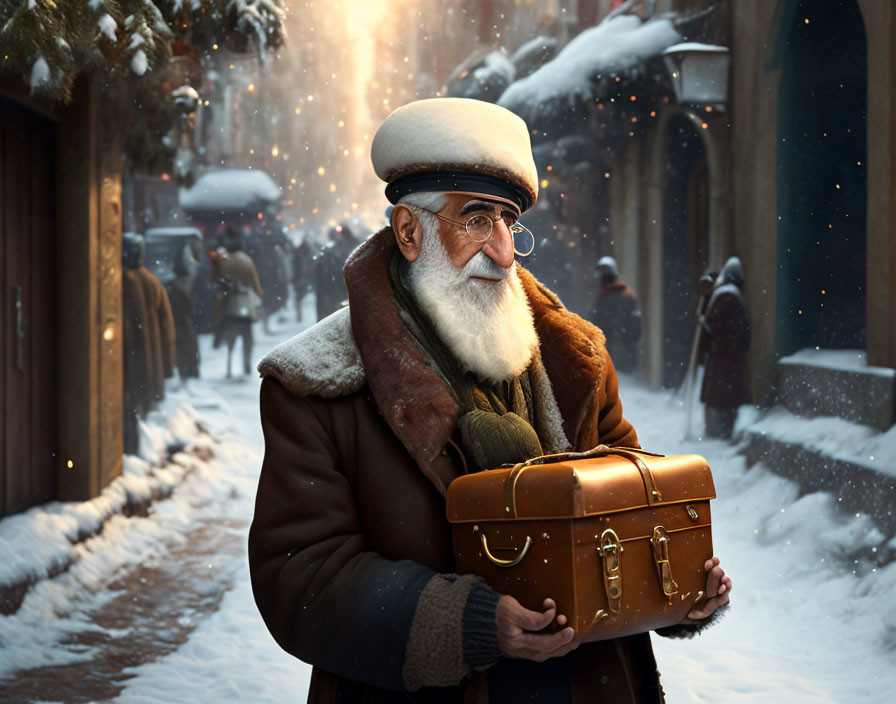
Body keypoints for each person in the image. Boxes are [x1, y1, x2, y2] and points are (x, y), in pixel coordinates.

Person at [249, 98, 731, 704]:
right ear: (408, 231)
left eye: (510, 223)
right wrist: (468, 623)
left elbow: (628, 515)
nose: (504, 252)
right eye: (477, 220)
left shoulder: (574, 360)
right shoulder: (317, 383)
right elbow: (300, 576)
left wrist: (679, 591)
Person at [699, 256, 751, 439]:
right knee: (725, 396)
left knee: (722, 397)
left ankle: (719, 432)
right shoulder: (729, 294)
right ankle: (721, 431)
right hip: (727, 355)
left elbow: (714, 323)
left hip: (724, 355)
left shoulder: (726, 294)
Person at [211, 226, 263, 378]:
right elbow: (256, 286)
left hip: (230, 303)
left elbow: (216, 279)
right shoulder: (247, 260)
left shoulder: (223, 259)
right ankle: (247, 363)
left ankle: (228, 364)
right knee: (248, 337)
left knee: (230, 335)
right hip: (246, 304)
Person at [130, 233, 177, 405]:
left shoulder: (120, 281)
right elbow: (166, 326)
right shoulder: (152, 282)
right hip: (149, 349)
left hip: (132, 351)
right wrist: (167, 362)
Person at [592, 255, 642, 374]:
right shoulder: (602, 297)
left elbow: (634, 330)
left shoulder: (625, 297)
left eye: (605, 276)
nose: (603, 279)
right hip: (609, 357)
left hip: (622, 361)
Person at [167, 237, 202, 386]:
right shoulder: (186, 283)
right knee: (187, 347)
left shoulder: (177, 285)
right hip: (184, 321)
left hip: (182, 321)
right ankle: (187, 370)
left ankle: (186, 371)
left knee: (185, 347)